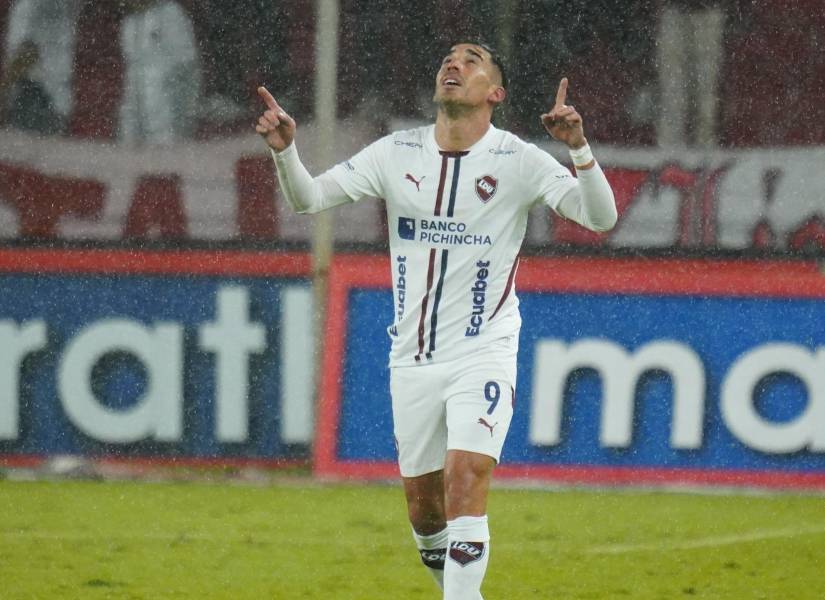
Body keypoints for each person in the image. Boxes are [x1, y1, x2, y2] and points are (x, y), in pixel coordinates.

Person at [256, 41, 617, 599]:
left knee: (467, 474)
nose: (455, 65)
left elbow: (600, 216)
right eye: (449, 59)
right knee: (426, 514)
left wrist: (580, 150)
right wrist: (286, 151)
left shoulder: (517, 159)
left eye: (472, 61)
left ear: (495, 93)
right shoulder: (395, 153)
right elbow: (309, 199)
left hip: (484, 349)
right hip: (413, 360)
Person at [117, 0, 201, 145]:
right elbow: (132, 62)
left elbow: (185, 61)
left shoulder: (170, 12)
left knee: (154, 84)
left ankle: (162, 139)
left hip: (168, 76)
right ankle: (133, 139)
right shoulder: (130, 22)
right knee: (135, 90)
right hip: (143, 75)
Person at [1, 0, 82, 133]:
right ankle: (18, 125)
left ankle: (56, 127)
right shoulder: (27, 10)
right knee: (25, 80)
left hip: (58, 23)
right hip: (32, 16)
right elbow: (22, 52)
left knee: (59, 83)